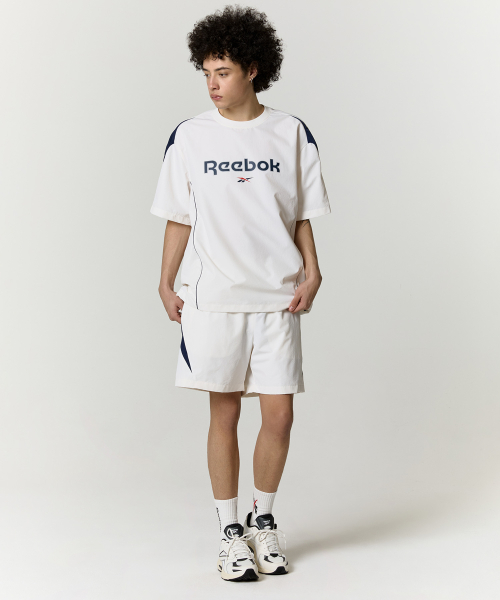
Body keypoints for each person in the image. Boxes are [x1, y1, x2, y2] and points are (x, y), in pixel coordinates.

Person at [151, 5, 331, 582]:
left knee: (280, 415)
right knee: (224, 412)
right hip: (214, 299)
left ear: (253, 69)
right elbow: (178, 216)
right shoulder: (189, 136)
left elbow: (300, 215)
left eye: (223, 72)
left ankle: (263, 520)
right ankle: (230, 532)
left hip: (277, 298)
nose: (212, 84)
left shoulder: (291, 132)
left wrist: (313, 270)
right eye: (206, 73)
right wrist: (164, 281)